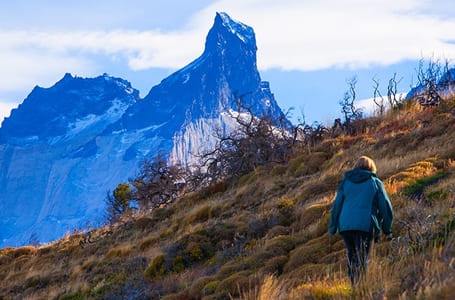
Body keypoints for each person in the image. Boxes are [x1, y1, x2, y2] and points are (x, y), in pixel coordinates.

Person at [329, 156, 393, 286]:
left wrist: (333, 226)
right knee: (362, 257)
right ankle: (361, 288)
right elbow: (385, 206)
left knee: (351, 255)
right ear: (372, 167)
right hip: (365, 225)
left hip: (345, 225)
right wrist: (386, 228)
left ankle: (353, 285)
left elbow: (336, 206)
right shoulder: (375, 182)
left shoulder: (345, 182)